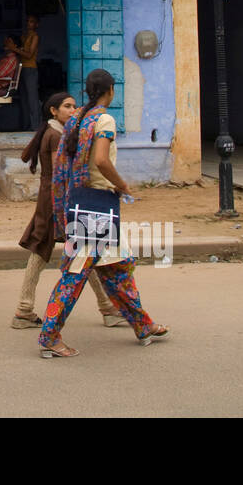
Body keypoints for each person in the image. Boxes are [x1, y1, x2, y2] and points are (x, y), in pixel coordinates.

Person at [36, 69, 169, 359]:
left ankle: (143, 325)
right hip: (96, 207)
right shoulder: (104, 119)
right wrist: (122, 186)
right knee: (74, 274)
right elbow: (101, 160)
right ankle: (49, 335)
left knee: (118, 268)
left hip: (83, 203)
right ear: (110, 89)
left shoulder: (77, 119)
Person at [11, 92, 125, 329]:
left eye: (74, 106)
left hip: (54, 197)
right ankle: (24, 309)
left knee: (76, 250)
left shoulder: (56, 132)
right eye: (66, 106)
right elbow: (60, 170)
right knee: (68, 250)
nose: (72, 110)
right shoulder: (55, 135)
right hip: (56, 199)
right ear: (53, 111)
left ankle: (105, 307)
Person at [5, 15, 40, 130]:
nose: (28, 24)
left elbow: (29, 55)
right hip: (21, 68)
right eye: (27, 21)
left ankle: (35, 126)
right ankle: (26, 125)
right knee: (24, 99)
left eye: (31, 21)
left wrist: (14, 48)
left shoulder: (35, 37)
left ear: (36, 25)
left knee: (32, 99)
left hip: (30, 68)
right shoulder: (24, 37)